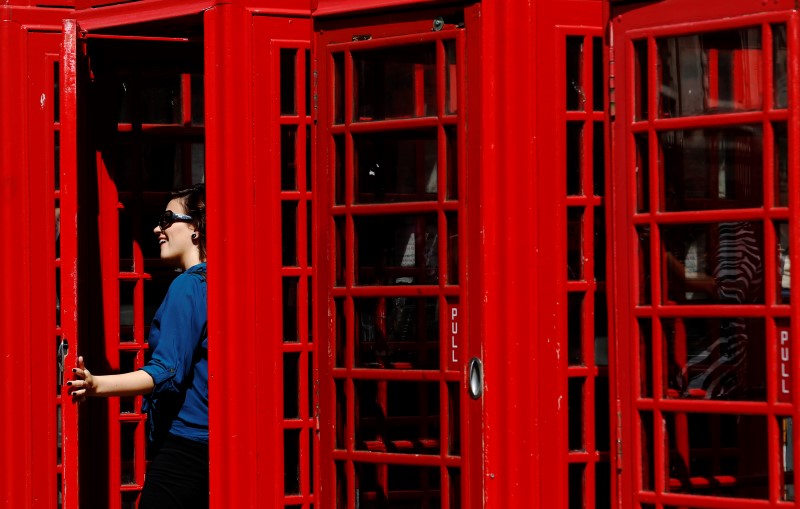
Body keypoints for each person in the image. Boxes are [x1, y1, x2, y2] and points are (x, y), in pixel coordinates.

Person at [69, 183, 209, 509]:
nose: (157, 228)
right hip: (213, 445)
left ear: (196, 229)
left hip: (183, 448)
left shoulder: (187, 286)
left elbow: (165, 371)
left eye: (167, 218)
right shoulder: (215, 284)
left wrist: (94, 384)